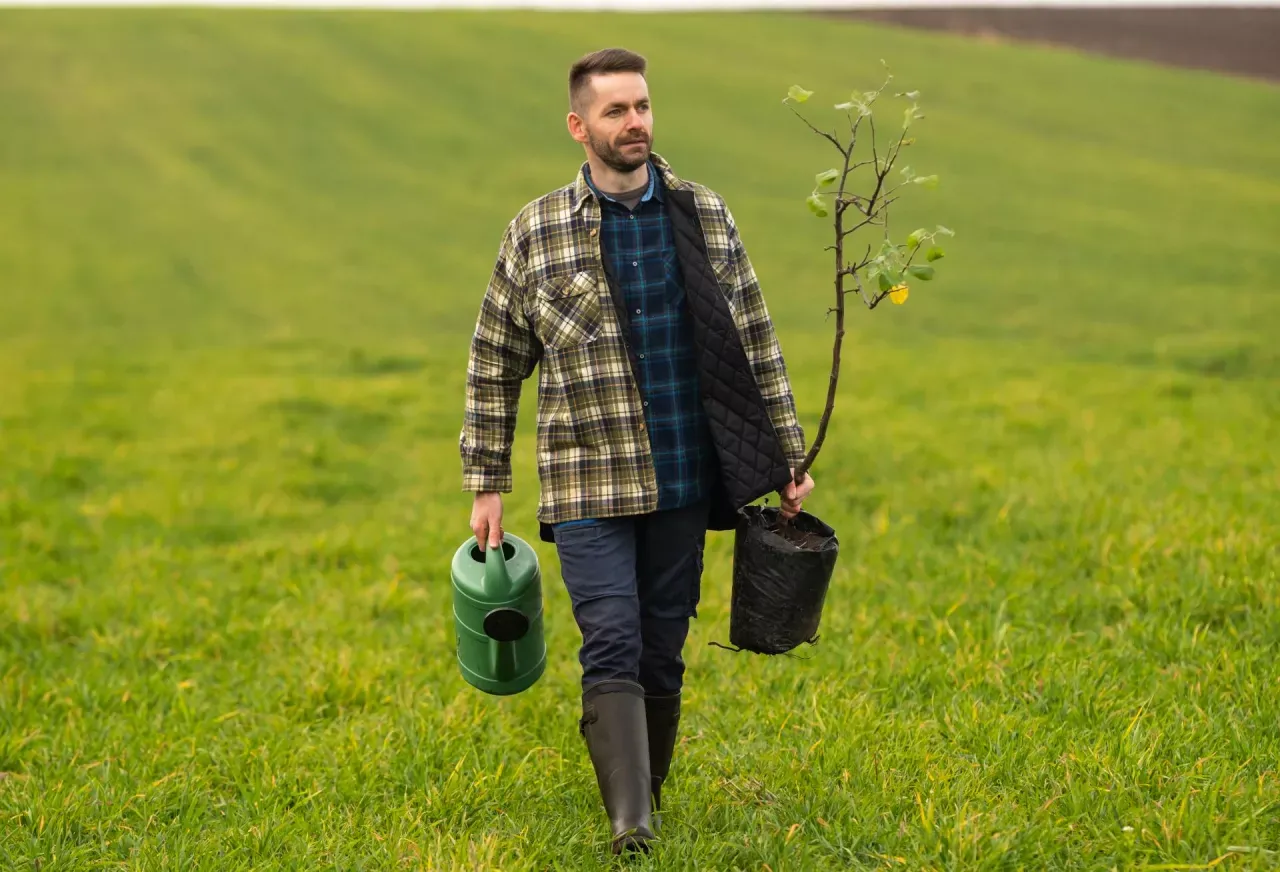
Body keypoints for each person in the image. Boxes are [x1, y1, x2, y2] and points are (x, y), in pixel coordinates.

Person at [459, 47, 815, 855]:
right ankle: (630, 825)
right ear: (578, 126)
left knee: (663, 647)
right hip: (585, 478)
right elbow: (494, 360)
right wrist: (487, 480)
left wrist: (786, 457)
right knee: (612, 639)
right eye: (616, 111)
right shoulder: (537, 231)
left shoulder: (703, 213)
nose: (635, 123)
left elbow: (755, 336)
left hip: (684, 474)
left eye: (643, 106)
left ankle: (645, 795)